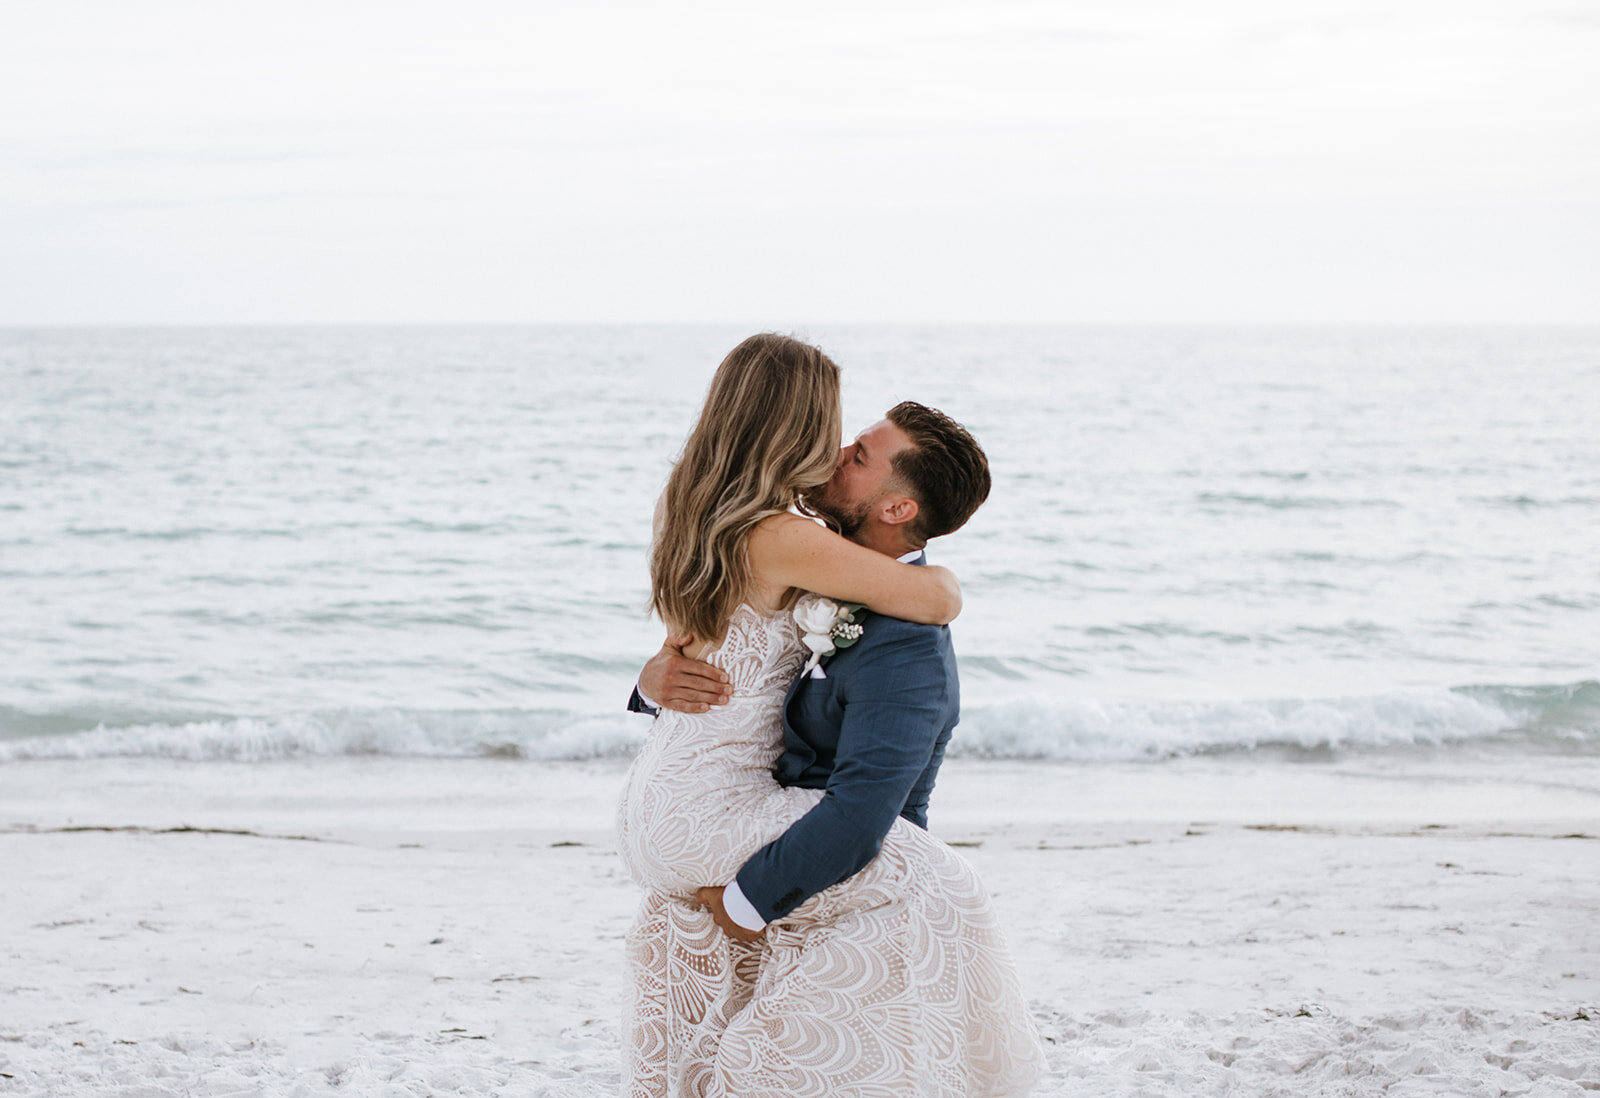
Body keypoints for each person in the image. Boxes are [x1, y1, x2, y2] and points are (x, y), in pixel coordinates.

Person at [615, 333, 1044, 1097]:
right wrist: (946, 578)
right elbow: (932, 598)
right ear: (795, 426)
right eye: (835, 430)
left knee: (890, 857)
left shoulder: (688, 507)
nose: (838, 447)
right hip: (707, 810)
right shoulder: (786, 538)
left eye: (855, 449)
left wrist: (651, 681)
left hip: (659, 797)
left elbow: (685, 653)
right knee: (935, 877)